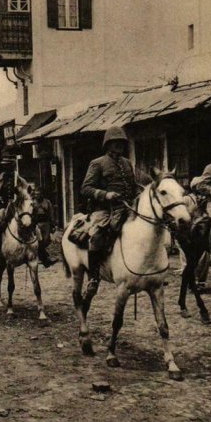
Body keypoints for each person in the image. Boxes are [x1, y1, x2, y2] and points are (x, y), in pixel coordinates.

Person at [80, 126, 148, 299]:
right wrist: (105, 194)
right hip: (105, 209)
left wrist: (140, 194)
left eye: (121, 143)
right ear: (108, 145)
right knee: (96, 236)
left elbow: (133, 186)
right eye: (115, 143)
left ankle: (145, 270)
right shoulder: (97, 163)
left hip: (127, 207)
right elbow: (85, 188)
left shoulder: (127, 163)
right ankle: (93, 277)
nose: (119, 146)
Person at [33, 187, 57, 268]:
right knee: (39, 241)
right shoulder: (33, 202)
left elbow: (51, 213)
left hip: (46, 223)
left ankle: (43, 257)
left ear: (42, 194)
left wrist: (53, 225)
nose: (37, 196)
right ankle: (45, 259)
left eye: (39, 194)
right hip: (36, 224)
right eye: (36, 194)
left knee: (46, 240)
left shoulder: (47, 202)